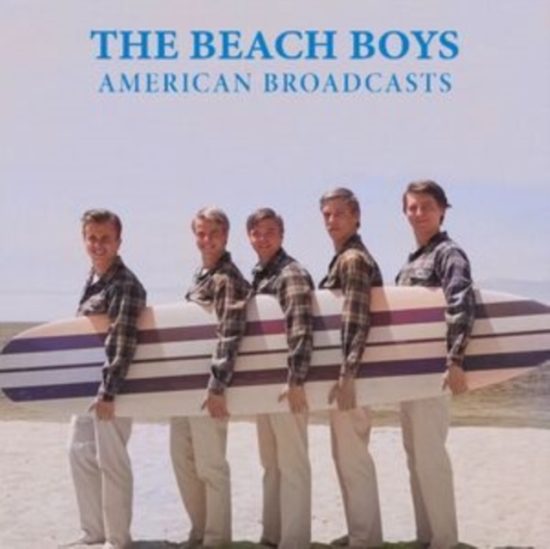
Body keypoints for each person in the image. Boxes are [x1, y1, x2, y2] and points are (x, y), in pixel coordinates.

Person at [396, 180, 475, 549]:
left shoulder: (449, 253)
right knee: (415, 460)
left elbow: (461, 303)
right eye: (412, 207)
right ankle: (425, 537)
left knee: (431, 460)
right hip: (409, 376)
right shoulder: (412, 261)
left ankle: (444, 540)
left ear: (442, 210)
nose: (418, 213)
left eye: (426, 206)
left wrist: (455, 359)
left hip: (434, 375)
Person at [64, 209, 146, 549]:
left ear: (118, 242)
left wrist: (108, 392)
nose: (98, 245)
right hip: (86, 386)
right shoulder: (94, 279)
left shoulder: (125, 284)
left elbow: (122, 341)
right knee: (78, 452)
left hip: (114, 388)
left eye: (105, 239)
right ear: (84, 240)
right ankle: (93, 534)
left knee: (111, 462)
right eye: (92, 238)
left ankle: (117, 539)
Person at [169, 207, 250, 549]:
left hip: (212, 387)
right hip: (187, 387)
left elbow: (230, 333)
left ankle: (216, 540)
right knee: (183, 461)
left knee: (211, 466)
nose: (207, 239)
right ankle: (199, 532)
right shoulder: (202, 275)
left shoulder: (227, 278)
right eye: (201, 233)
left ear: (226, 236)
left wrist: (217, 386)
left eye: (213, 233)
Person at [318, 187, 383, 549]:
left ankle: (366, 538)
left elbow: (357, 319)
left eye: (339, 213)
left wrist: (347, 374)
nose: (332, 220)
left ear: (356, 216)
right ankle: (361, 531)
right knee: (346, 455)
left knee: (353, 456)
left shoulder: (354, 259)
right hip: (350, 373)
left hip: (353, 376)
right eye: (327, 215)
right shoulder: (342, 258)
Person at [246, 207, 314, 549]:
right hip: (265, 385)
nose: (263, 238)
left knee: (293, 464)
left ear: (282, 235)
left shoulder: (291, 273)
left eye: (270, 232)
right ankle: (272, 536)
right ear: (249, 237)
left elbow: (301, 328)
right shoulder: (259, 275)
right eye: (257, 233)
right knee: (271, 464)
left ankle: (295, 540)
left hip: (289, 384)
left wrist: (296, 380)